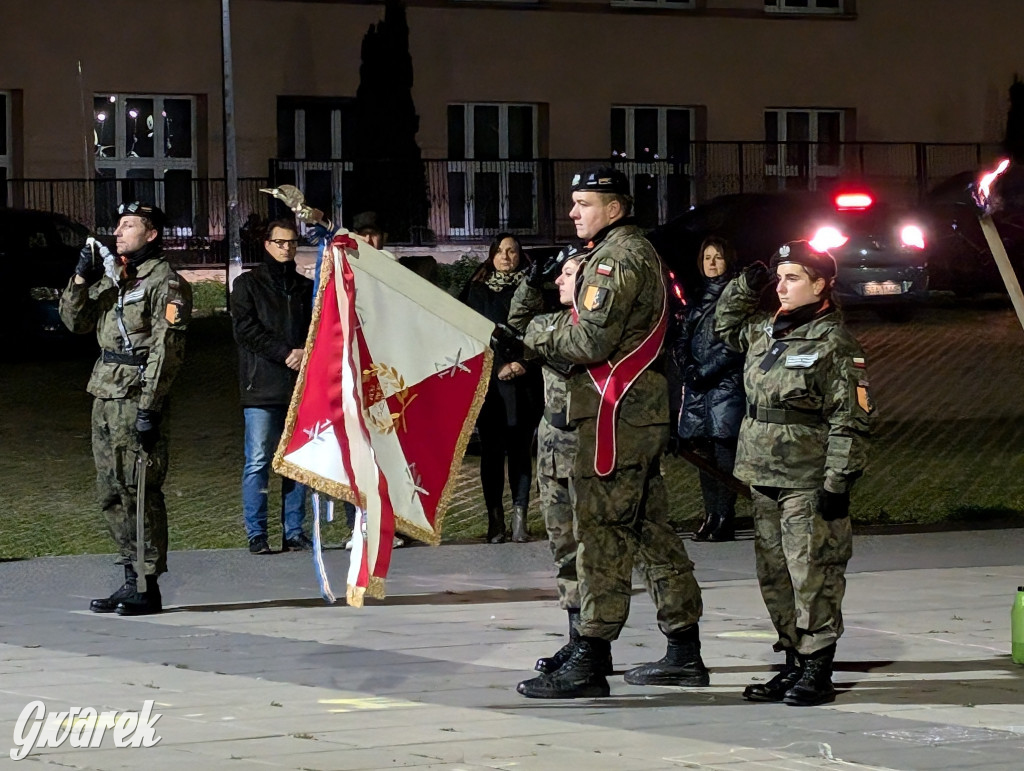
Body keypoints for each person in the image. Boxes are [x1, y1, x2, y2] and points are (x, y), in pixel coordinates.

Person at [515, 167, 707, 699]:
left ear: (615, 208)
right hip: (615, 417)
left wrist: (531, 332)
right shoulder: (614, 252)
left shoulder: (617, 259)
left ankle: (592, 655)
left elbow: (586, 343)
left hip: (612, 419)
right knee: (648, 533)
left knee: (599, 535)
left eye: (583, 203)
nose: (573, 212)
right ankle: (681, 651)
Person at [714, 240, 873, 707]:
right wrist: (747, 283)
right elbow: (724, 325)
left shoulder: (835, 342)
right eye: (780, 278)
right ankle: (792, 661)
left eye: (793, 278)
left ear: (821, 284)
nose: (782, 287)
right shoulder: (766, 330)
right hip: (762, 473)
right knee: (775, 574)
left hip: (808, 476)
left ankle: (818, 666)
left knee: (813, 573)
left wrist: (838, 482)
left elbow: (852, 418)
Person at [59, 201, 192, 616]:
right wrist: (81, 276)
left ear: (151, 234)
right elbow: (74, 322)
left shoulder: (165, 283)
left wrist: (150, 407)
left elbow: (166, 350)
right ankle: (129, 576)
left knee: (139, 489)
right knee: (111, 490)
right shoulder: (117, 278)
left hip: (137, 395)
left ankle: (147, 583)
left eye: (129, 225)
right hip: (105, 393)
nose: (118, 231)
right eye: (117, 224)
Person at [507, 241, 604, 674]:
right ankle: (575, 636)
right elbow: (515, 326)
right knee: (563, 548)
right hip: (551, 449)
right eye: (559, 275)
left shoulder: (601, 329)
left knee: (593, 551)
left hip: (589, 450)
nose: (560, 280)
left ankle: (595, 644)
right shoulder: (551, 321)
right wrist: (530, 282)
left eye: (568, 273)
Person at [231, 219, 315, 554]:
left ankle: (294, 530)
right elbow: (245, 329)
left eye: (292, 243)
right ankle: (257, 533)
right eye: (280, 242)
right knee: (258, 461)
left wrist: (305, 352)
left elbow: (317, 326)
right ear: (267, 244)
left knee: (297, 462)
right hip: (262, 387)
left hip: (299, 386)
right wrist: (285, 353)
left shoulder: (305, 287)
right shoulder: (248, 285)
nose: (287, 248)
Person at [460, 233, 542, 543]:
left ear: (521, 255)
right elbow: (464, 333)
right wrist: (495, 368)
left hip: (523, 381)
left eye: (513, 251)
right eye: (501, 251)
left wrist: (523, 363)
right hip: (489, 385)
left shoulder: (533, 289)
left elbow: (543, 330)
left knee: (521, 450)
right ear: (492, 255)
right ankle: (495, 520)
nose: (506, 256)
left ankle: (520, 516)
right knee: (492, 453)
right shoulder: (476, 289)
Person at [671, 236, 745, 542]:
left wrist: (704, 371)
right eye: (707, 258)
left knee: (723, 453)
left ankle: (726, 515)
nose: (712, 263)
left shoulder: (737, 297)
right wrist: (688, 367)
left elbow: (735, 344)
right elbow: (682, 339)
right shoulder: (696, 297)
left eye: (718, 257)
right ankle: (711, 513)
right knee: (702, 455)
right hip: (698, 388)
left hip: (724, 385)